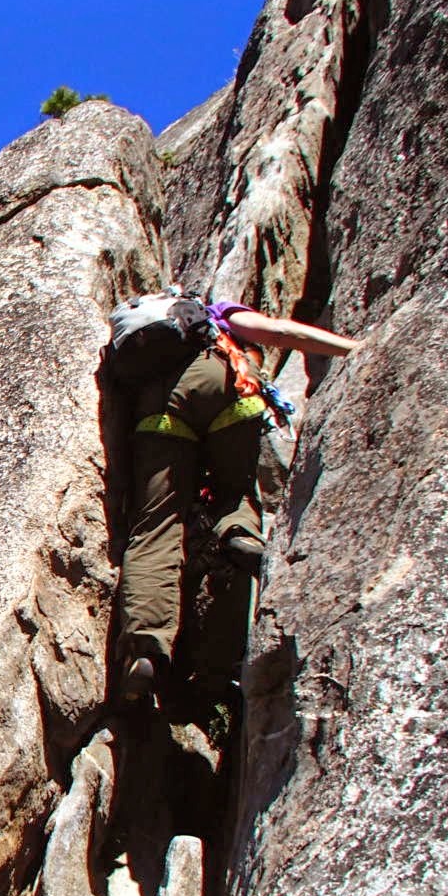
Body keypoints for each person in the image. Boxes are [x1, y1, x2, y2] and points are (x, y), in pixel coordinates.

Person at [115, 300, 360, 705]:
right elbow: (281, 332)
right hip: (224, 385)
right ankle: (238, 532)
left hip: (158, 408)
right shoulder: (215, 313)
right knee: (236, 490)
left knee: (155, 527)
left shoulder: (138, 349)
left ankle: (146, 650)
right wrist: (356, 348)